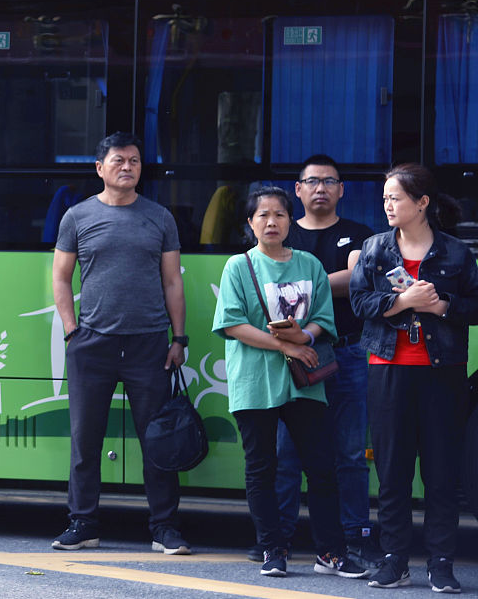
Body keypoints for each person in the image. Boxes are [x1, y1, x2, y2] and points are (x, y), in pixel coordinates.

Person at [212, 186, 367, 580]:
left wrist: (306, 338)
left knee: (321, 467)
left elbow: (324, 320)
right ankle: (273, 548)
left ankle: (330, 552)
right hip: (255, 381)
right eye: (263, 215)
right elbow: (232, 324)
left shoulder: (309, 264)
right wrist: (288, 346)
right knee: (262, 467)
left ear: (289, 221)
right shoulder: (238, 266)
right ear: (250, 223)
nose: (271, 222)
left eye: (279, 214)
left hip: (304, 381)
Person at [50, 132, 190, 556]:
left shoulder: (159, 217)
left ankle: (164, 528)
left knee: (157, 440)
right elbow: (60, 277)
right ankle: (83, 524)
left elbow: (173, 281)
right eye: (118, 160)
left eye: (134, 161)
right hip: (92, 344)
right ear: (100, 168)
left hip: (149, 343)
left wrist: (178, 337)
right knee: (85, 439)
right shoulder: (77, 217)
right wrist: (72, 330)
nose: (127, 167)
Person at [349, 164, 478, 593]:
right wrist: (403, 300)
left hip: (442, 373)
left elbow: (475, 305)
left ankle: (441, 563)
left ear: (422, 203)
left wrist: (441, 306)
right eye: (385, 197)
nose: (387, 204)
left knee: (441, 472)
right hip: (387, 368)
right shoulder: (374, 248)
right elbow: (359, 303)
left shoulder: (456, 252)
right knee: (393, 472)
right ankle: (395, 560)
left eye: (396, 197)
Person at [266, 155, 375, 564]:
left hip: (348, 352)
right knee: (287, 453)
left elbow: (357, 279)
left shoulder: (358, 234)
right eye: (312, 181)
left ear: (341, 190)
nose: (320, 188)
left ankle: (353, 536)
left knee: (350, 453)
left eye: (329, 182)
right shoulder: (282, 232)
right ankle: (278, 538)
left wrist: (299, 287)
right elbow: (267, 284)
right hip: (292, 356)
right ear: (298, 190)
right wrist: (323, 284)